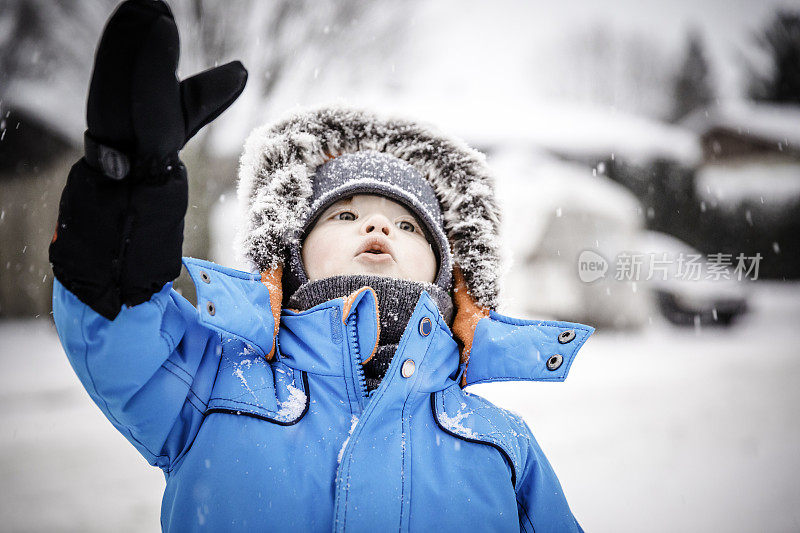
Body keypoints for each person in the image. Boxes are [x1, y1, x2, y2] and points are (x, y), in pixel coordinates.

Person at [49, 1, 594, 531]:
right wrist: (121, 192)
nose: (378, 229)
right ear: (291, 255)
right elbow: (114, 320)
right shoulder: (211, 383)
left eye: (408, 226)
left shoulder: (502, 445)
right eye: (346, 213)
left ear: (446, 274)